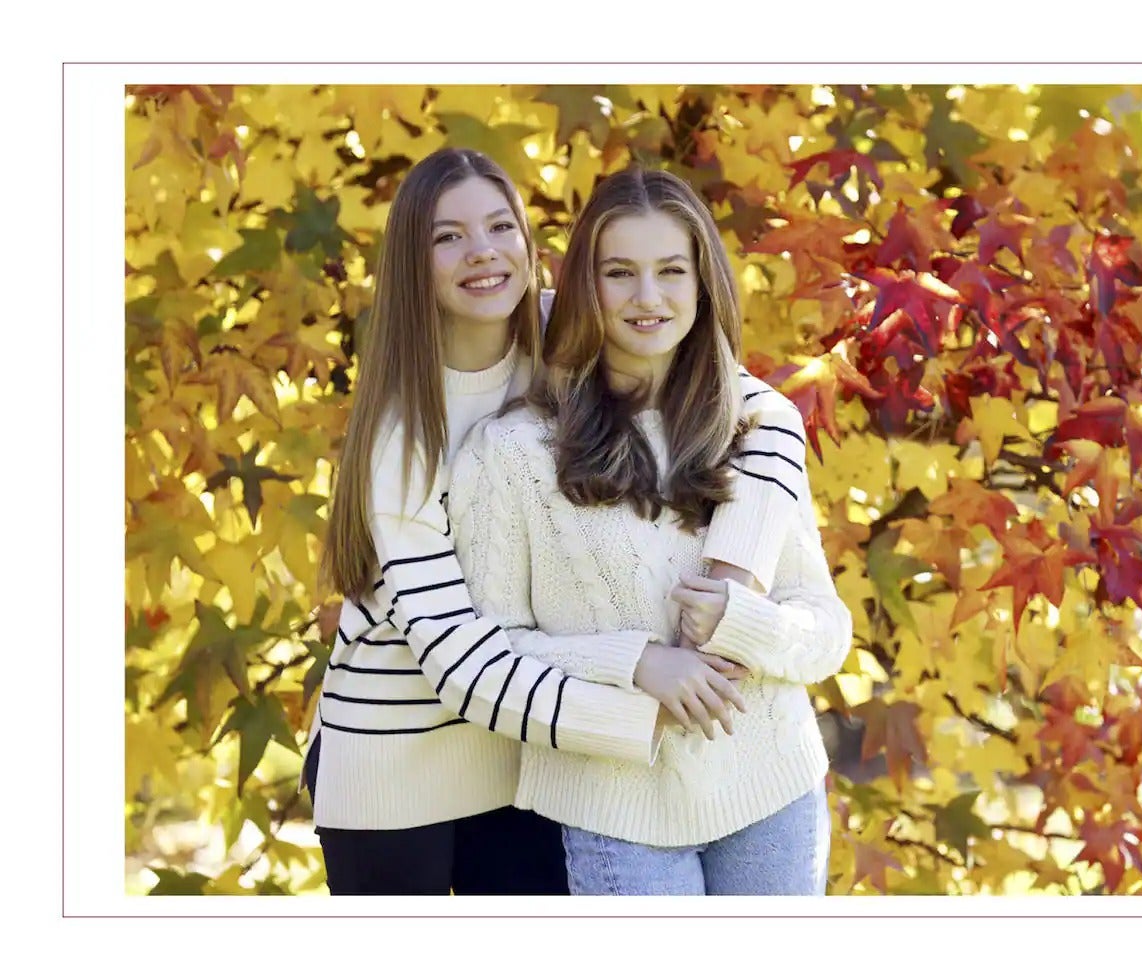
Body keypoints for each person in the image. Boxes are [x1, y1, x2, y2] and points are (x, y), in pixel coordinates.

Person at [303, 148, 815, 895]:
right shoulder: (403, 435)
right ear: (414, 264)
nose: (481, 252)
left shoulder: (564, 331)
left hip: (527, 752)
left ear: (532, 245)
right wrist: (640, 703)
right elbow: (460, 659)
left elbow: (756, 407)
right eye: (448, 236)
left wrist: (734, 570)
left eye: (499, 226)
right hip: (399, 759)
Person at [448, 167, 851, 895]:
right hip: (613, 807)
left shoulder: (754, 432)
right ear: (584, 288)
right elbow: (490, 652)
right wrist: (638, 665)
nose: (648, 297)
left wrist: (745, 623)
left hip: (771, 790)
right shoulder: (513, 454)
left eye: (671, 271)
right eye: (619, 273)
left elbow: (826, 631)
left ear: (703, 284)